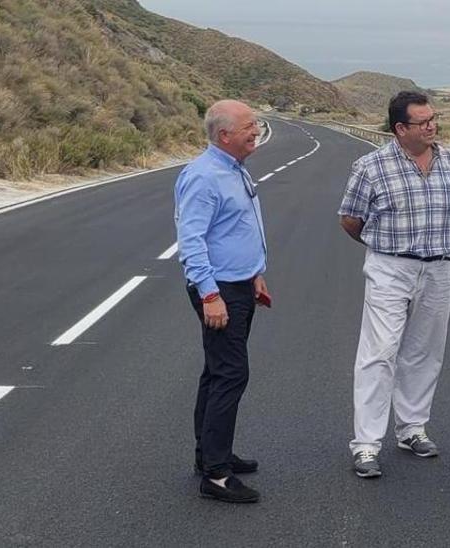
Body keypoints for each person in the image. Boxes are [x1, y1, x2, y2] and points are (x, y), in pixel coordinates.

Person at [337, 91, 450, 479]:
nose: (432, 126)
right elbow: (350, 219)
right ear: (400, 129)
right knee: (380, 351)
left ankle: (411, 428)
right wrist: (385, 249)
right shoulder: (371, 166)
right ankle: (366, 444)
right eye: (423, 122)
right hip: (391, 267)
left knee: (425, 351)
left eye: (434, 119)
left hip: (440, 267)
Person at [175, 99, 270, 503]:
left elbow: (234, 229)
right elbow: (191, 241)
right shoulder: (204, 176)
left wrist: (254, 274)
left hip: (239, 284)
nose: (256, 131)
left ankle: (211, 454)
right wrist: (211, 295)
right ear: (225, 135)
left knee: (217, 372)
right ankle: (215, 475)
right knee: (231, 374)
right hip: (219, 290)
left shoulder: (233, 168)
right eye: (250, 125)